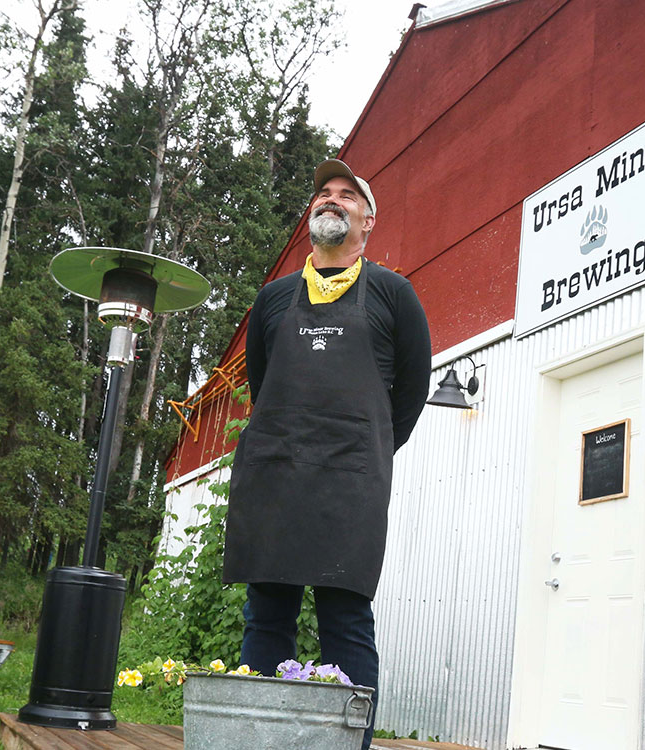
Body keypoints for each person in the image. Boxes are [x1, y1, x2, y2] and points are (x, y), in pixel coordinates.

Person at [223, 158, 431, 749]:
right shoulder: (272, 300)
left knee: (345, 622)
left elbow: (412, 391)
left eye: (347, 194)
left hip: (351, 482)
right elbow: (265, 390)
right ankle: (258, 744)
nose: (331, 199)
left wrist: (368, 451)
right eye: (323, 194)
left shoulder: (394, 294)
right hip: (275, 477)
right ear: (310, 216)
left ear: (368, 221)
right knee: (266, 618)